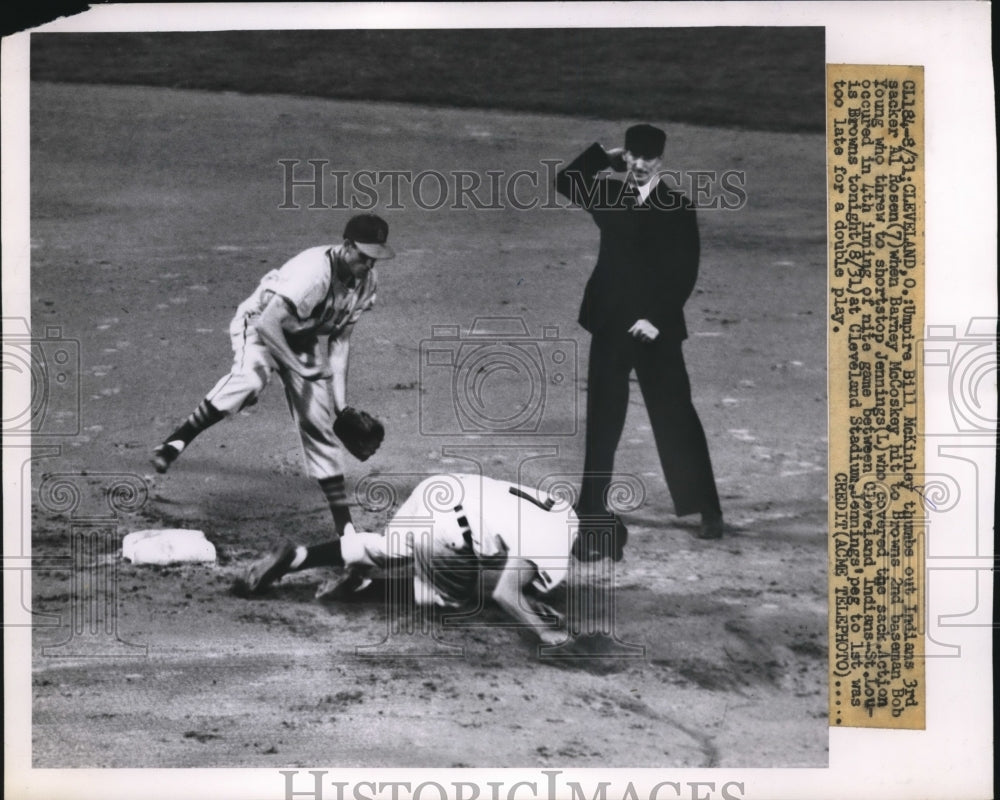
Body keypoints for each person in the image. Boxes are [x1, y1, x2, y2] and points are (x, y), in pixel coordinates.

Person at [151, 213, 395, 537]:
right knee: (251, 381)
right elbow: (269, 323)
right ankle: (175, 442)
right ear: (347, 245)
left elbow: (340, 342)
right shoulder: (314, 273)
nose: (369, 265)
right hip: (258, 324)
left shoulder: (367, 284)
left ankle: (345, 530)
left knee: (318, 421)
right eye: (364, 257)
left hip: (301, 337)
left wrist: (342, 407)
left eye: (375, 258)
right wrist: (299, 368)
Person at [555, 124, 724, 542]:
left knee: (676, 416)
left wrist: (657, 320)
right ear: (627, 156)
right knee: (603, 417)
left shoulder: (677, 207)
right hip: (610, 323)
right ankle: (591, 505)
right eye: (634, 156)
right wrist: (604, 156)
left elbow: (684, 271)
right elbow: (565, 181)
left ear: (661, 161)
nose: (641, 164)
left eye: (650, 158)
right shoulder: (610, 194)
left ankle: (709, 510)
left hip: (655, 329)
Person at [235, 473, 628, 646]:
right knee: (454, 597)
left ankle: (298, 557)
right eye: (604, 556)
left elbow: (514, 553)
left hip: (439, 490)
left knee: (388, 550)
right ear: (594, 547)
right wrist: (544, 632)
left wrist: (531, 599)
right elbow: (506, 594)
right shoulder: (558, 548)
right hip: (449, 529)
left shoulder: (561, 509)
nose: (598, 562)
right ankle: (367, 588)